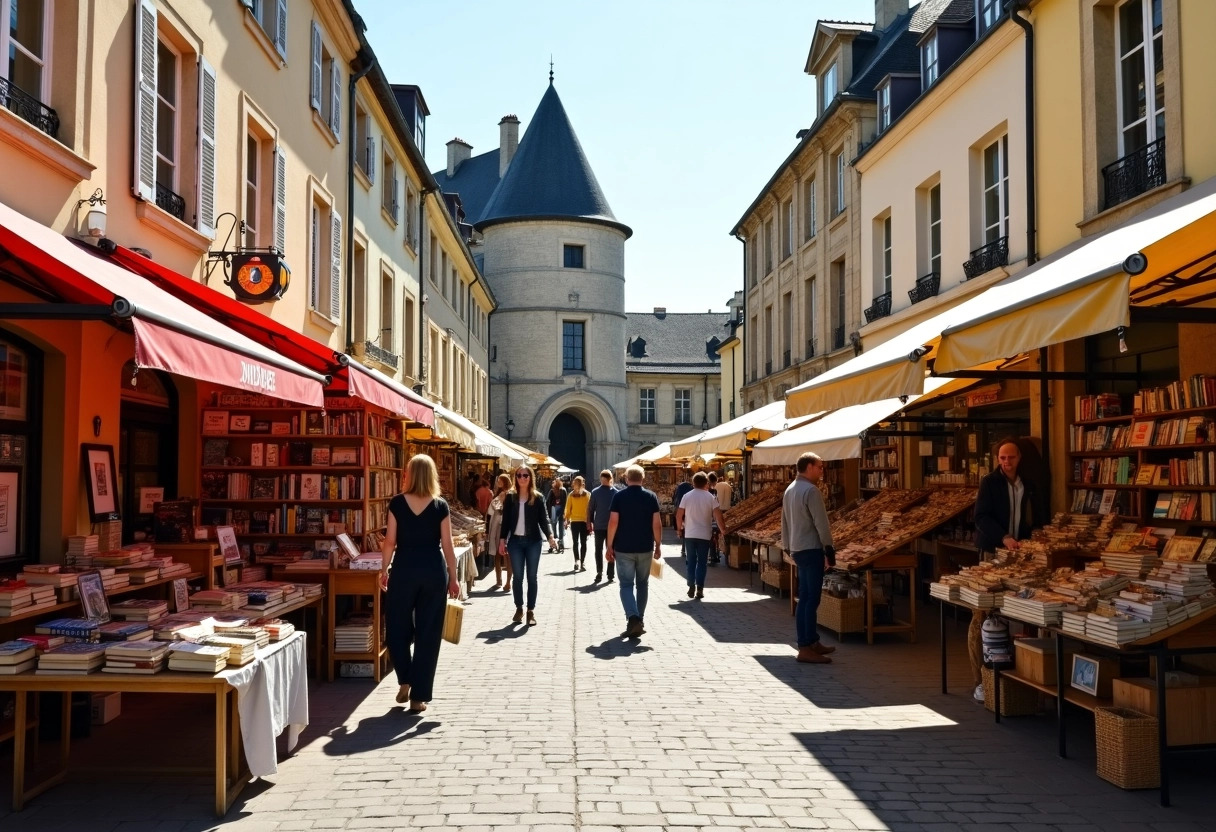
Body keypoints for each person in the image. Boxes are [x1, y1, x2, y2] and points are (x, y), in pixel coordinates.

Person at [380, 454, 461, 713]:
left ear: (410, 474)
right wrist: (455, 577)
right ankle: (419, 696)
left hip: (404, 569)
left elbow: (390, 541)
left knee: (396, 627)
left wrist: (384, 569)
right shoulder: (440, 506)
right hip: (433, 571)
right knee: (429, 633)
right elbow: (447, 545)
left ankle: (405, 677)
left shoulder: (397, 504)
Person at [970, 438, 1046, 702]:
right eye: (1002, 458)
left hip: (1019, 553)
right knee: (984, 613)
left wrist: (1032, 537)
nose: (1006, 462)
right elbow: (981, 517)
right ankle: (982, 679)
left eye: (1010, 457)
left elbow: (1034, 519)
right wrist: (1003, 537)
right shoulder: (989, 483)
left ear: (1019, 458)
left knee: (1014, 609)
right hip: (994, 550)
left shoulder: (1029, 485)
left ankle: (1014, 671)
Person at [782, 452, 836, 664]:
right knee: (810, 599)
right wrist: (829, 548)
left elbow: (784, 521)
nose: (822, 471)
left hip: (797, 548)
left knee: (805, 596)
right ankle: (805, 646)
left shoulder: (790, 489)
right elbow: (821, 523)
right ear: (810, 467)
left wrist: (787, 546)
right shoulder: (811, 491)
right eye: (820, 467)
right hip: (811, 549)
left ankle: (812, 641)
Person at [606, 464, 663, 638]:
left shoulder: (619, 496)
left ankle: (633, 618)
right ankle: (640, 619)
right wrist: (658, 544)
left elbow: (613, 522)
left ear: (626, 478)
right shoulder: (651, 497)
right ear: (643, 478)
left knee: (626, 585)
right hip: (645, 547)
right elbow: (657, 523)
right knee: (643, 584)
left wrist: (609, 545)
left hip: (623, 548)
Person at [499, 465, 557, 626]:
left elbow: (544, 519)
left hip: (533, 541)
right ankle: (519, 608)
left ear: (530, 477)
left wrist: (550, 536)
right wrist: (502, 539)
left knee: (532, 577)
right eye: (519, 475)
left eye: (525, 475)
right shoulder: (510, 498)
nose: (522, 478)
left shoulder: (537, 498)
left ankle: (530, 611)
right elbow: (505, 521)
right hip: (515, 542)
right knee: (517, 577)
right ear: (515, 478)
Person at [676, 471, 725, 600]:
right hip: (704, 535)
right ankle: (700, 588)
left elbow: (679, 514)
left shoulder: (687, 496)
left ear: (693, 483)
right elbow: (718, 515)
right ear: (706, 483)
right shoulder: (710, 497)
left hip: (690, 534)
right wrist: (723, 530)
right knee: (702, 562)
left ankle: (691, 585)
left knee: (691, 561)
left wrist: (679, 529)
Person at [588, 470, 620, 584]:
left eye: (605, 477)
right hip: (599, 526)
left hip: (611, 527)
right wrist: (589, 522)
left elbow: (620, 511)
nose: (604, 479)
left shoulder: (616, 493)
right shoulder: (595, 492)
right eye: (603, 477)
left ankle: (610, 574)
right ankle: (599, 572)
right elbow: (591, 509)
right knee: (599, 550)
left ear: (610, 478)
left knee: (610, 549)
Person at [485, 472, 513, 592]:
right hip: (502, 528)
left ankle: (504, 581)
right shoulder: (506, 495)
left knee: (505, 555)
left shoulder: (508, 495)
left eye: (500, 480)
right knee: (503, 555)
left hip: (504, 528)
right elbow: (490, 513)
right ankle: (502, 581)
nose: (497, 482)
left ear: (504, 482)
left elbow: (491, 513)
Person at [565, 475, 591, 572]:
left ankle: (582, 561)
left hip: (583, 522)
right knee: (576, 542)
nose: (575, 486)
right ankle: (577, 560)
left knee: (583, 542)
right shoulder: (571, 495)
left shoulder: (587, 495)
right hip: (575, 521)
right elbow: (568, 508)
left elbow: (590, 509)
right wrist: (566, 519)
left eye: (577, 484)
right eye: (575, 484)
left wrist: (590, 521)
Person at [672, 470, 694, 561]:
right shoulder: (690, 494)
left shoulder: (680, 495)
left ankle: (684, 549)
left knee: (685, 532)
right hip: (689, 516)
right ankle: (686, 549)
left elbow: (678, 512)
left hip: (683, 516)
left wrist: (678, 530)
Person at [546, 478, 568, 554]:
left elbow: (548, 501)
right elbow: (565, 501)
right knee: (559, 525)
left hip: (555, 509)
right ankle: (559, 540)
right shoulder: (556, 491)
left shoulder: (556, 490)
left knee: (555, 525)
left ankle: (556, 540)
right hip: (558, 509)